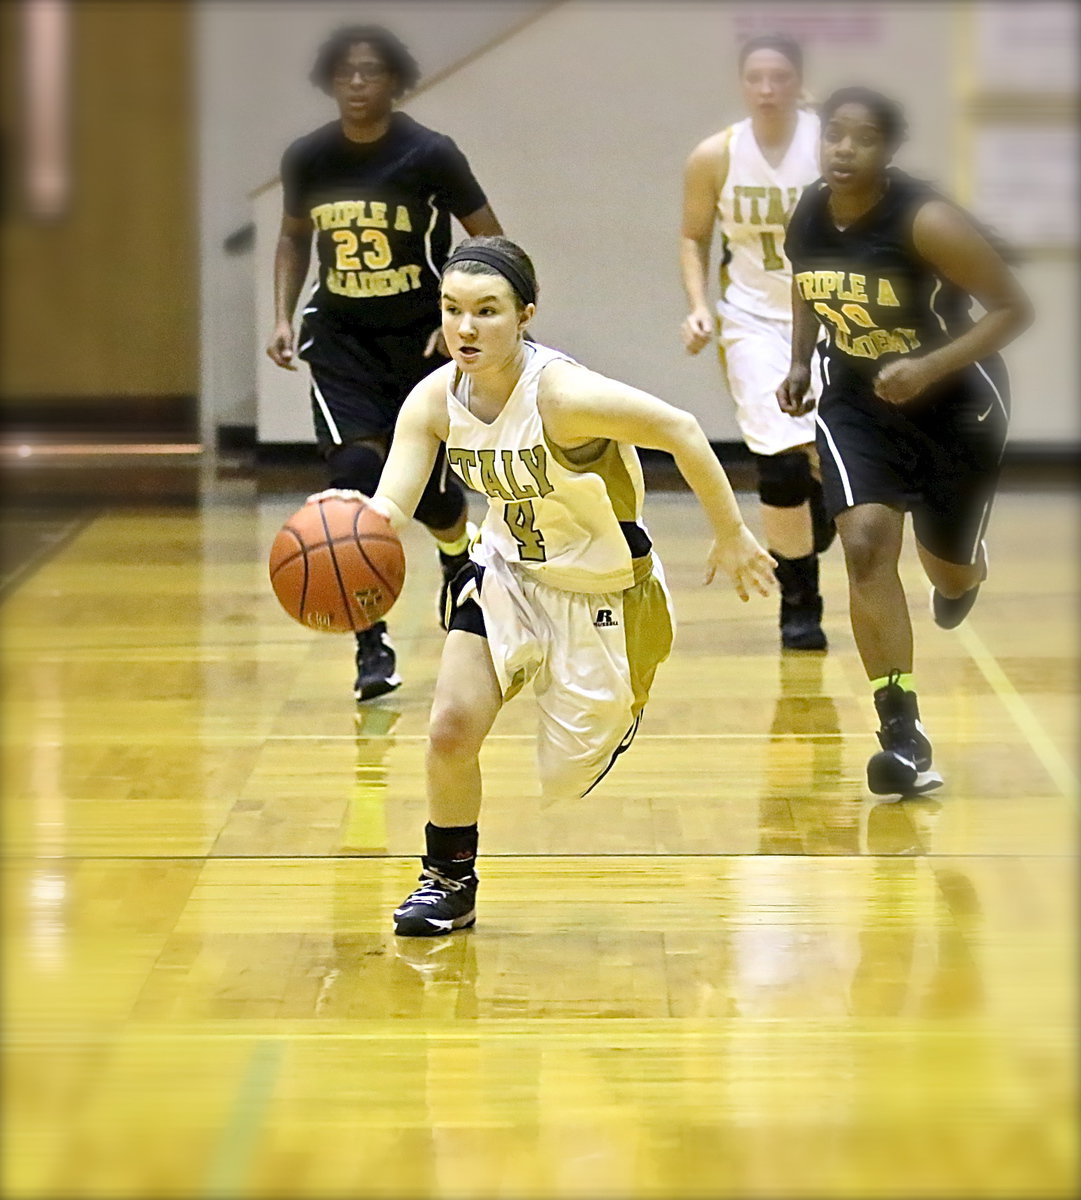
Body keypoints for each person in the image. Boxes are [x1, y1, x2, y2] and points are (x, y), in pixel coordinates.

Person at [313, 236, 776, 936]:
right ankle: (447, 880)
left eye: (487, 311)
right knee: (448, 730)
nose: (465, 329)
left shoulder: (561, 395)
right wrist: (342, 531)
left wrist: (732, 533)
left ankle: (623, 691)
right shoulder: (435, 399)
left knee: (569, 769)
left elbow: (679, 429)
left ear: (524, 314)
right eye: (452, 310)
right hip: (507, 574)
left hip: (603, 594)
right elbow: (388, 509)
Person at [777, 87, 1032, 798]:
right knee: (862, 544)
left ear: (886, 152)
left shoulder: (926, 221)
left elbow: (1014, 307)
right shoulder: (807, 211)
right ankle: (901, 732)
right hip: (857, 402)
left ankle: (964, 569)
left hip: (956, 406)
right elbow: (804, 283)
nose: (842, 149)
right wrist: (799, 361)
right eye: (833, 135)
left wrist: (926, 365)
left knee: (945, 572)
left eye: (860, 139)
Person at [267, 24, 503, 701]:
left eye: (371, 71)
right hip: (340, 339)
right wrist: (282, 314)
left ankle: (460, 566)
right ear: (330, 80)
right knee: (354, 480)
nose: (358, 83)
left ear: (394, 81)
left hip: (415, 342)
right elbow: (292, 239)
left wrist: (455, 314)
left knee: (429, 495)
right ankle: (369, 638)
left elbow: (490, 239)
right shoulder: (308, 157)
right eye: (345, 72)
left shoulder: (429, 154)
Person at [680, 33, 833, 652]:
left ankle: (813, 511)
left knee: (822, 454)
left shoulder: (829, 145)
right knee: (778, 463)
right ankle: (801, 607)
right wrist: (699, 307)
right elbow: (693, 238)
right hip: (751, 320)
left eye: (779, 77)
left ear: (799, 81)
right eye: (756, 78)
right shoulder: (716, 155)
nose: (767, 88)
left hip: (829, 317)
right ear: (743, 84)